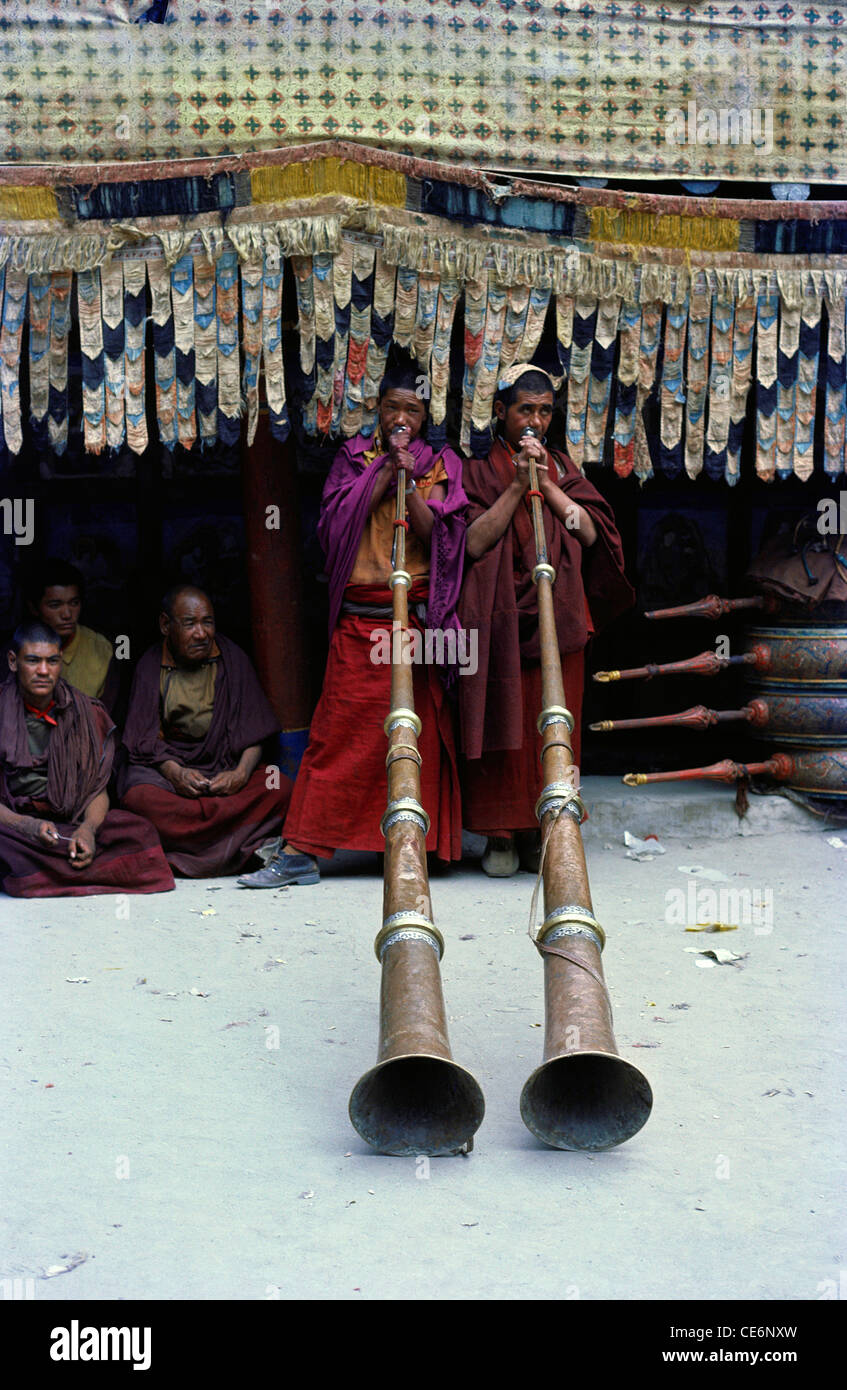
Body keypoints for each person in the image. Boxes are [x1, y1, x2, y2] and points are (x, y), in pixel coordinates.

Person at [238, 358, 468, 887]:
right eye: (393, 408)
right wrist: (384, 470)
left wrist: (408, 479)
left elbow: (443, 536)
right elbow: (333, 527)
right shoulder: (353, 458)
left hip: (415, 624)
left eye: (412, 409)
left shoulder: (440, 464)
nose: (401, 417)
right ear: (378, 410)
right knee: (335, 737)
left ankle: (417, 844)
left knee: (416, 737)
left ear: (426, 414)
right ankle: (302, 851)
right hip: (361, 623)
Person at [459, 364, 635, 876]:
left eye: (543, 411)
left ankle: (548, 831)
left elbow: (588, 532)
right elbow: (471, 542)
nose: (534, 421)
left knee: (555, 728)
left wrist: (547, 486)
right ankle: (500, 837)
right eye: (524, 410)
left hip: (559, 624)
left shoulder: (562, 467)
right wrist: (516, 487)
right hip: (499, 626)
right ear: (500, 412)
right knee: (506, 730)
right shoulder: (479, 471)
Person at [118, 585, 291, 877]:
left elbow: (255, 729)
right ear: (165, 625)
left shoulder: (232, 659)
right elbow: (142, 740)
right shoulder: (150, 665)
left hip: (223, 766)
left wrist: (240, 774)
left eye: (207, 622)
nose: (201, 633)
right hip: (169, 771)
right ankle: (238, 845)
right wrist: (175, 773)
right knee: (136, 796)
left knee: (281, 788)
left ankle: (193, 846)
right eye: (189, 624)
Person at [0, 622, 174, 897]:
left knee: (139, 832)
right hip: (14, 825)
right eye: (33, 661)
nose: (44, 671)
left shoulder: (85, 711)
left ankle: (42, 874)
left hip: (68, 822)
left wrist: (88, 829)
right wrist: (27, 826)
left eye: (52, 661)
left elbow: (96, 790)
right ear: (13, 661)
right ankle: (61, 872)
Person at [18, 559, 120, 712]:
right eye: (55, 605)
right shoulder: (17, 647)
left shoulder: (101, 649)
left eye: (74, 603)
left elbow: (104, 720)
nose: (67, 614)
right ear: (34, 608)